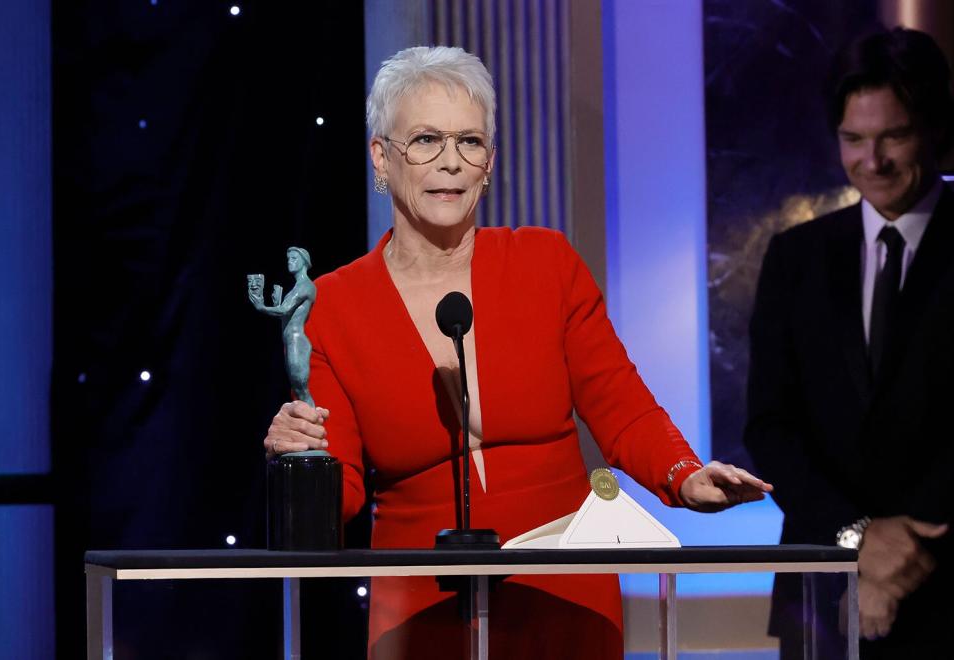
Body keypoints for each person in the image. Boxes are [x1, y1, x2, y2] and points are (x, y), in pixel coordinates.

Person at [265, 46, 771, 660]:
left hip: (564, 596)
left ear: (489, 163)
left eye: (470, 143)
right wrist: (302, 456)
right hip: (422, 610)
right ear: (381, 158)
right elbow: (340, 488)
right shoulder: (334, 306)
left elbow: (622, 406)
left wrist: (685, 476)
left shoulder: (546, 264)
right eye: (425, 140)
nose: (450, 163)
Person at [744, 27, 953, 659]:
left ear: (936, 129)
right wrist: (858, 536)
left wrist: (905, 547)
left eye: (894, 135)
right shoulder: (795, 256)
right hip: (821, 595)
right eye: (853, 139)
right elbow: (770, 428)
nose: (873, 160)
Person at [250, 247, 317, 406]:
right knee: (297, 390)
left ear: (303, 262)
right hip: (290, 340)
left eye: (294, 259)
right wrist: (276, 303)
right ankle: (307, 424)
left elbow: (285, 310)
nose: (290, 262)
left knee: (302, 389)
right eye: (288, 259)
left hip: (296, 340)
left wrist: (262, 307)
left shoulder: (305, 286)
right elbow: (286, 312)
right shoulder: (297, 287)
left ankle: (314, 424)